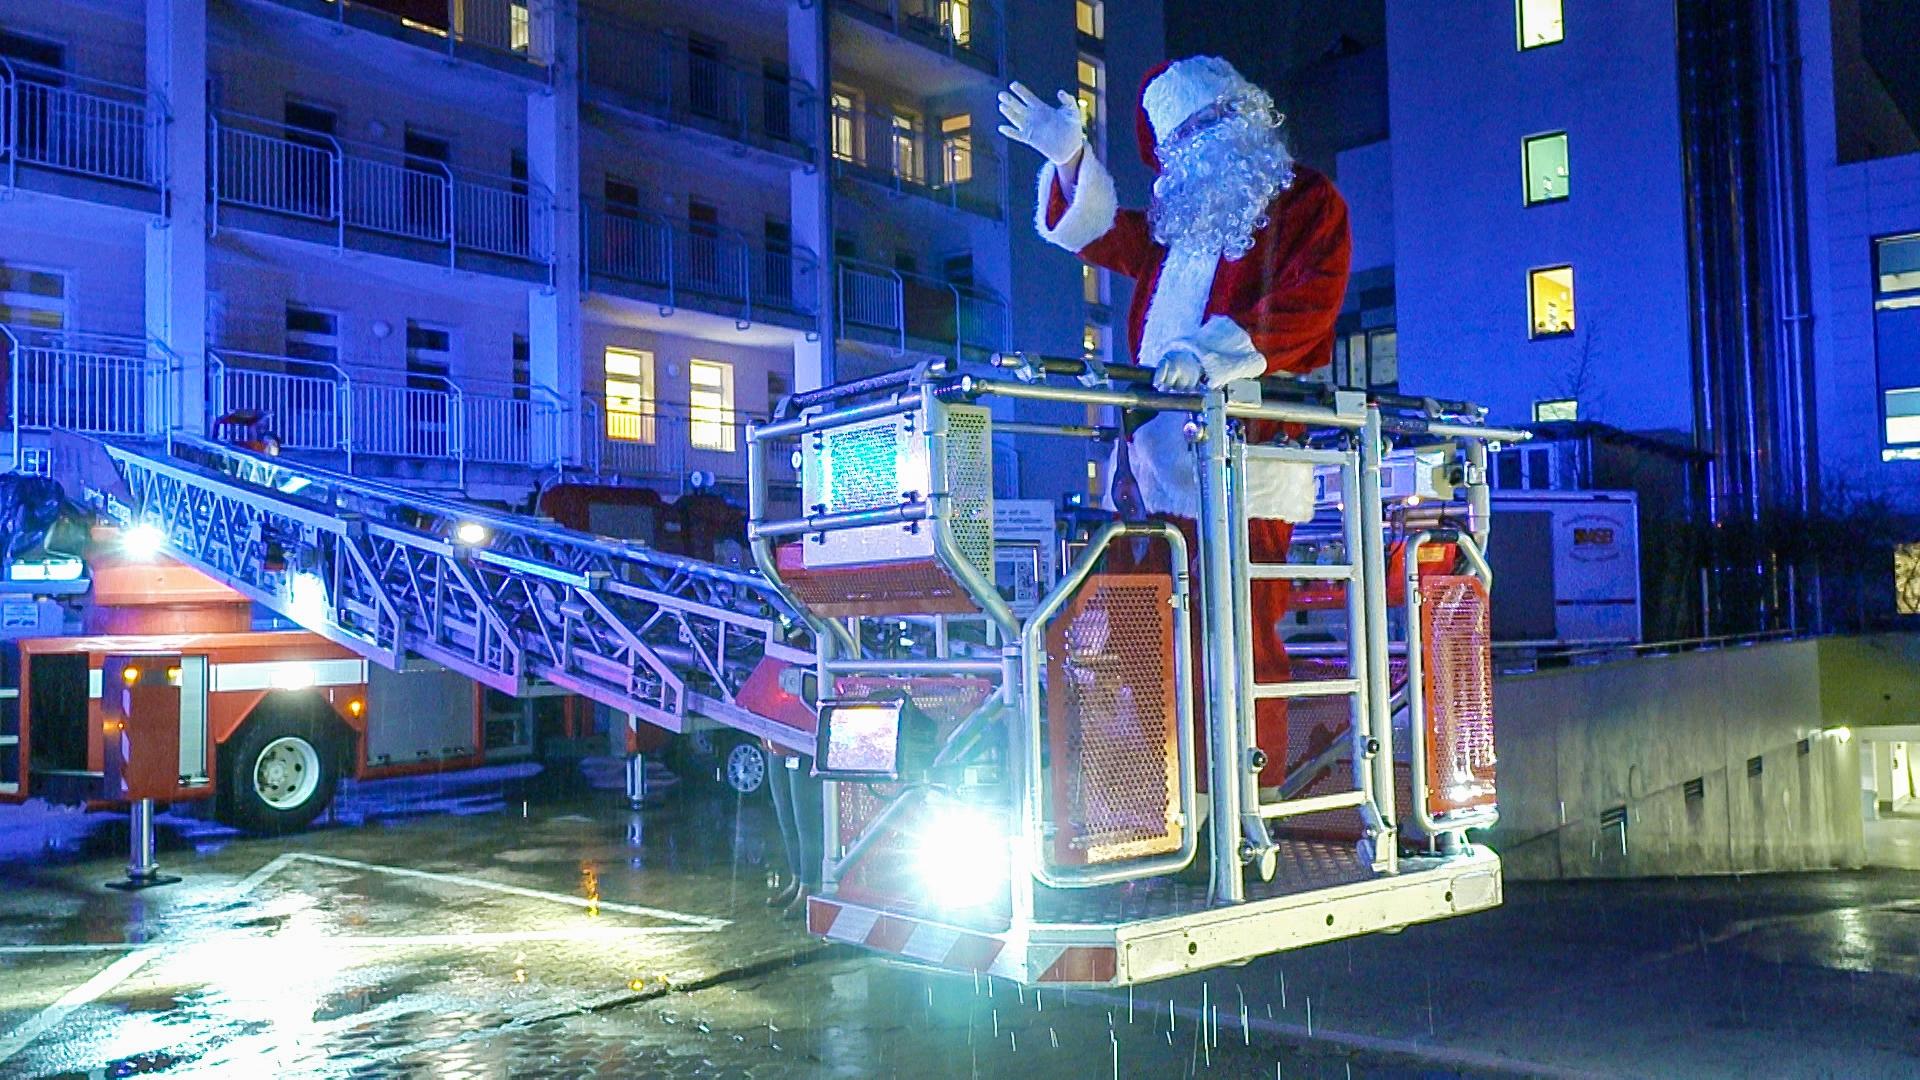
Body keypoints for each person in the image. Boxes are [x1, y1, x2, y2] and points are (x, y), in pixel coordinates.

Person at [999, 56, 1351, 793]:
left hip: (1247, 470)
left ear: (1251, 115)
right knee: (1149, 645)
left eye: (1220, 119)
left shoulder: (1306, 203)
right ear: (1173, 156)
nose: (1211, 141)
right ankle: (1164, 805)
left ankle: (1236, 813)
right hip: (1161, 475)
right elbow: (1102, 234)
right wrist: (1069, 157)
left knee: (1235, 650)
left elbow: (1308, 302)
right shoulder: (1180, 230)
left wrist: (1205, 351)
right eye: (1191, 134)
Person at [765, 739, 822, 918]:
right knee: (786, 817)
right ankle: (796, 879)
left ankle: (809, 885)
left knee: (805, 820)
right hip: (774, 740)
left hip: (802, 740)